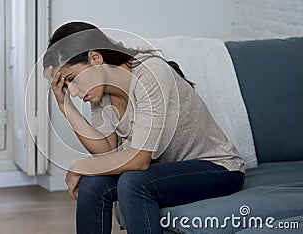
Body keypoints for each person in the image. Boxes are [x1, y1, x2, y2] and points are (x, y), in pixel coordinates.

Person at [43, 21, 245, 234]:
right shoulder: (101, 94)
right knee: (93, 185)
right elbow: (105, 151)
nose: (73, 91)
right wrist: (65, 105)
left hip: (218, 169)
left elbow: (140, 160)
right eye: (67, 85)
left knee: (133, 182)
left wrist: (79, 165)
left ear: (95, 58)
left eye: (73, 79)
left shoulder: (150, 74)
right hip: (164, 172)